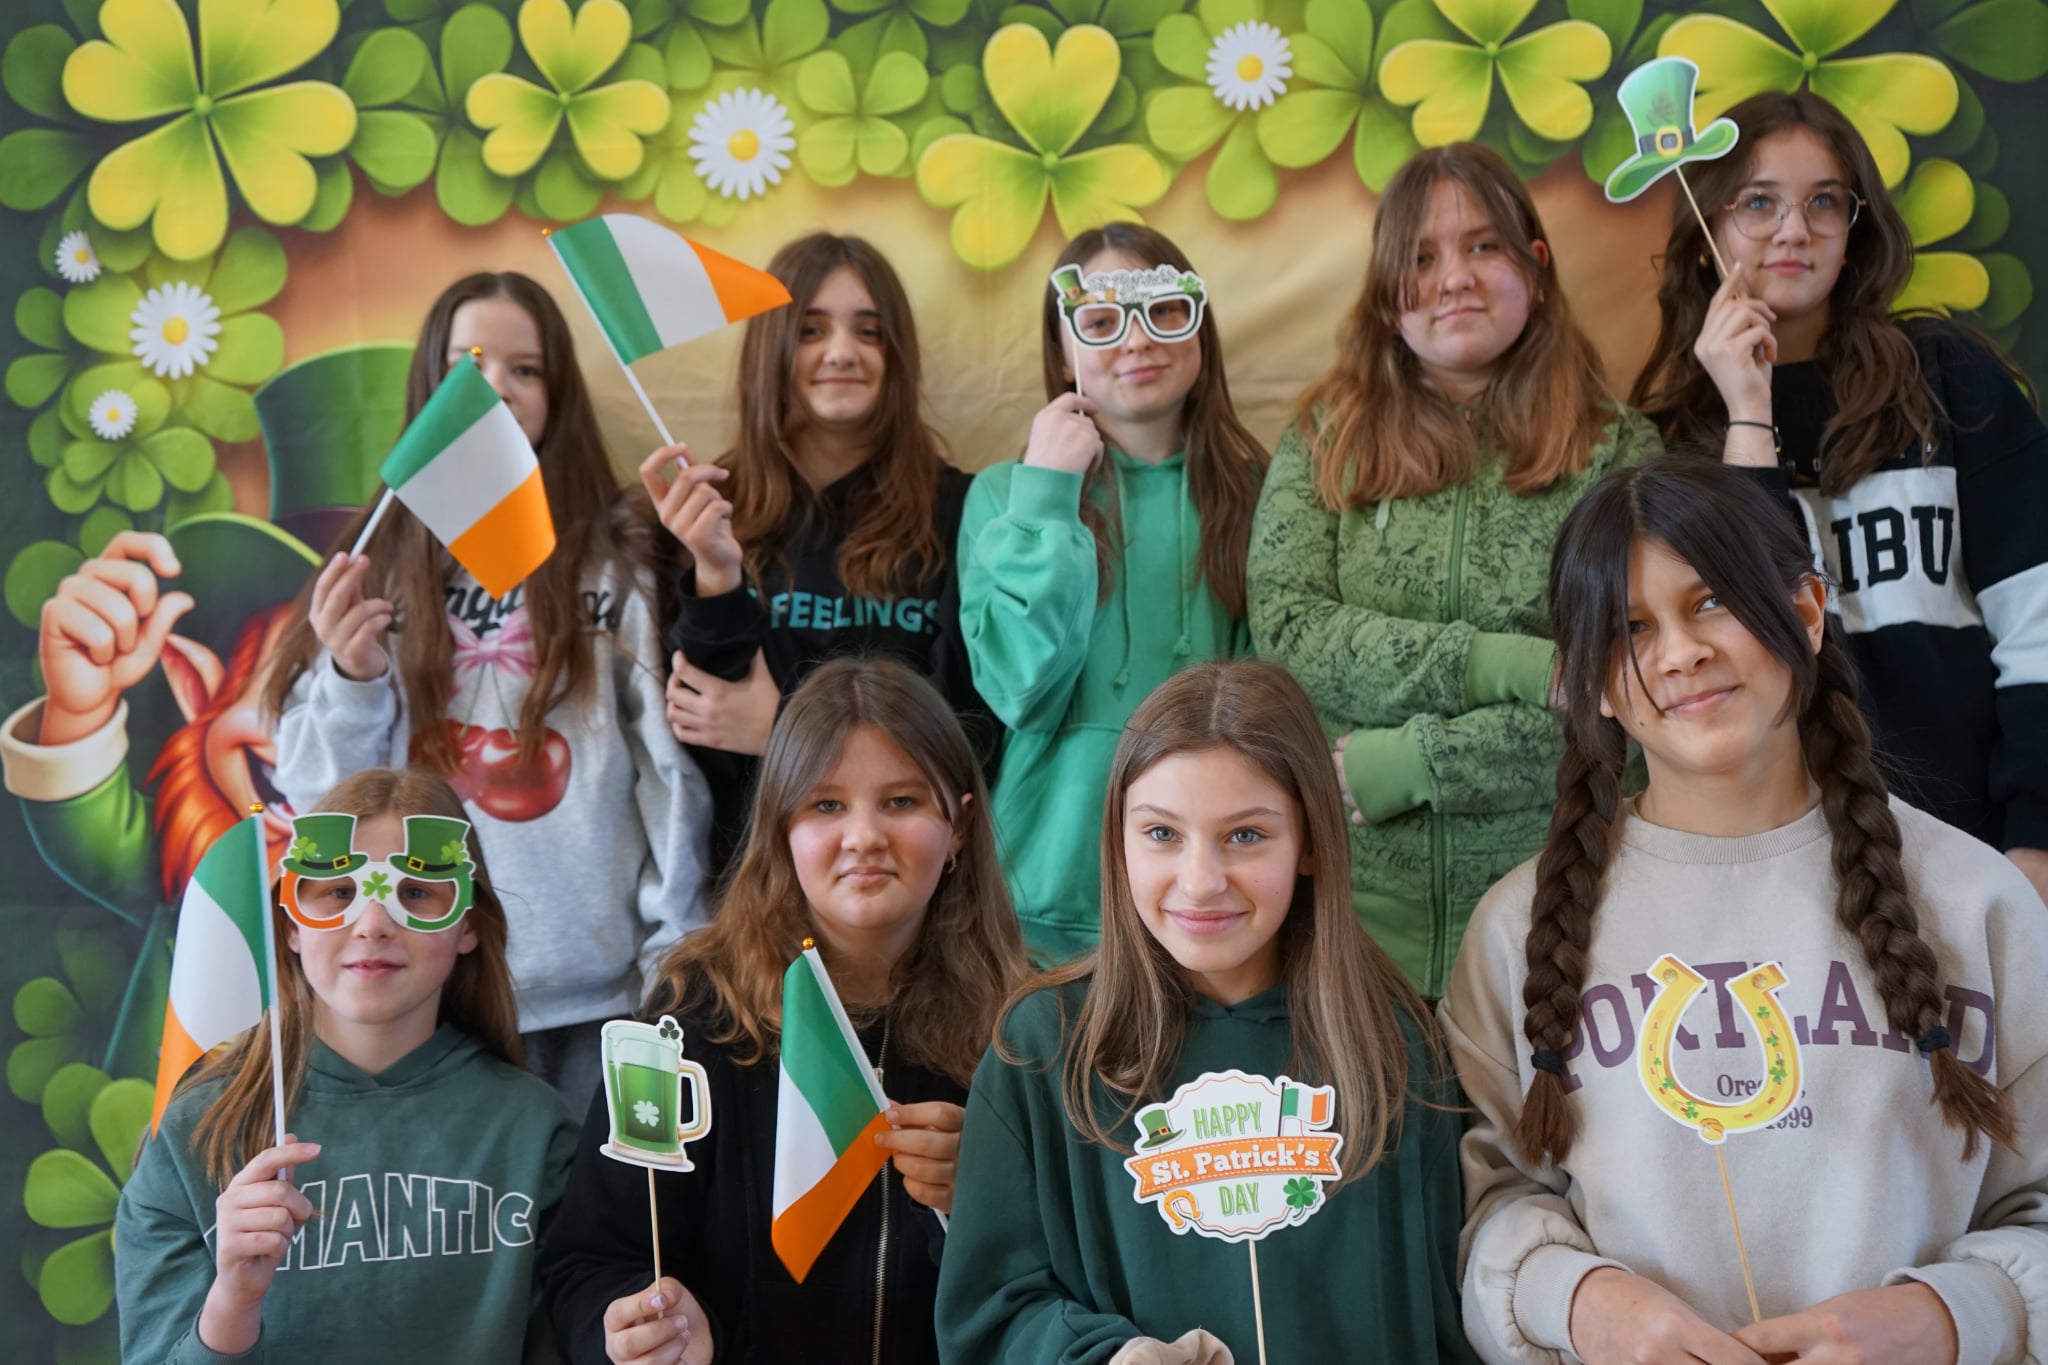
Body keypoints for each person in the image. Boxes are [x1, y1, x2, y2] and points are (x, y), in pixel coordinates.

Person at [1447, 456, 2048, 1365]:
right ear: (1588, 680)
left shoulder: (1981, 902)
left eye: (1713, 601)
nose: (1680, 652)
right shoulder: (1514, 931)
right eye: (1630, 627)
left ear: (1805, 613)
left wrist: (1945, 1316)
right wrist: (1585, 1305)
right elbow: (1494, 1207)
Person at [937, 661, 1474, 1364]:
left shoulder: (1400, 1047)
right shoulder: (1040, 1047)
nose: (1200, 882)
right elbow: (989, 1315)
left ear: (1311, 842)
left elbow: (1450, 1320)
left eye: (1245, 835)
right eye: (1162, 834)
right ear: (1119, 840)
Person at [266, 272, 711, 1103]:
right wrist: (354, 681)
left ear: (558, 392)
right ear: (429, 388)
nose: (497, 388)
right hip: (426, 997)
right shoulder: (377, 566)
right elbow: (319, 805)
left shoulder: (615, 561)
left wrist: (675, 951)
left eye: (525, 369)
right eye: (468, 367)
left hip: (600, 1002)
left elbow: (666, 773)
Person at [1247, 142, 1661, 999]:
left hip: (1563, 918)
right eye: (1422, 257)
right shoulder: (1325, 437)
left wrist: (1417, 762)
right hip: (1356, 934)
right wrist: (1513, 664)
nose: (1454, 279)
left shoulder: (1618, 450)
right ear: (1386, 293)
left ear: (1535, 269)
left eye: (1483, 246)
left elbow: (1629, 693)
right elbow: (1289, 631)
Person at [538, 657, 1028, 1365]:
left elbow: (1071, 1279)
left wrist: (983, 1201)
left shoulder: (1026, 1032)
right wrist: (626, 1327)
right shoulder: (691, 1018)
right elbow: (590, 1259)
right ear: (780, 828)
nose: (864, 836)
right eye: (826, 805)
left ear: (959, 825)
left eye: (901, 801)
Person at [1632, 90, 2048, 904]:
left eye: (1825, 202)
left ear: (1856, 228)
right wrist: (1747, 413)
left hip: (1983, 851)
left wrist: (2036, 836)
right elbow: (1763, 628)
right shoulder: (1670, 443)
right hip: (1788, 877)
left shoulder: (1950, 379)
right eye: (1759, 203)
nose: (1795, 230)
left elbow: (2038, 621)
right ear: (1709, 229)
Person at [116, 767, 578, 1363]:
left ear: (468, 924)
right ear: (291, 924)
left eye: (416, 893)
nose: (373, 924)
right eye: (338, 892)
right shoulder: (193, 1136)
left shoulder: (536, 1129)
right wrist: (233, 1301)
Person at [958, 224, 1267, 960]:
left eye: (1163, 311)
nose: (1137, 339)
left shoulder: (1263, 493)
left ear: (1198, 327)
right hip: (1044, 900)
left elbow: (1276, 710)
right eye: (1100, 321)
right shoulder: (1006, 495)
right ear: (1062, 350)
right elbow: (1019, 691)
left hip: (1210, 899)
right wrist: (1047, 493)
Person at [643, 234, 993, 881]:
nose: (841, 351)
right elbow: (701, 732)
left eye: (869, 331)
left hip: (911, 882)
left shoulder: (964, 510)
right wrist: (715, 572)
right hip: (759, 881)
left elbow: (969, 728)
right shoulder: (710, 506)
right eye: (811, 330)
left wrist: (780, 728)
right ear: (772, 347)